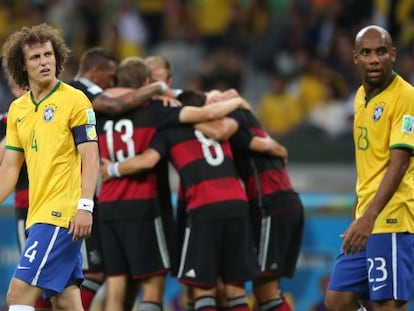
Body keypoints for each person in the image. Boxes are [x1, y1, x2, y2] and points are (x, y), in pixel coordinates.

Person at [101, 89, 259, 311]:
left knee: (204, 288)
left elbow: (147, 161)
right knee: (236, 289)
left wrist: (112, 168)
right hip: (237, 205)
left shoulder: (171, 130)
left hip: (205, 208)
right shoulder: (220, 125)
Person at [69, 46, 178, 311]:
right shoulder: (83, 95)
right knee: (151, 283)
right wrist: (160, 89)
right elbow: (150, 157)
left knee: (109, 280)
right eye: (109, 76)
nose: (111, 83)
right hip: (138, 203)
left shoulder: (100, 115)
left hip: (106, 204)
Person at [0, 23, 100, 311]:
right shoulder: (19, 110)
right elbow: (10, 167)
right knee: (66, 302)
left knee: (18, 296)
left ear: (57, 57)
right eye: (35, 57)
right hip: (38, 215)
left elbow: (90, 157)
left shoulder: (75, 100)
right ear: (22, 65)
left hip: (62, 215)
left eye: (48, 55)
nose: (44, 62)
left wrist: (85, 206)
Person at [324, 25, 414, 311]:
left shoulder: (406, 96)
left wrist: (369, 217)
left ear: (393, 55)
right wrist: (357, 215)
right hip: (366, 216)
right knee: (338, 301)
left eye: (380, 52)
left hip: (393, 217)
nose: (374, 59)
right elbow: (368, 165)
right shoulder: (360, 97)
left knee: (388, 305)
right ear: (355, 58)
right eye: (366, 52)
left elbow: (398, 163)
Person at [199, 89, 303, 311]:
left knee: (265, 288)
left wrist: (179, 120)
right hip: (279, 203)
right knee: (265, 288)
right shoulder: (244, 128)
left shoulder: (236, 115)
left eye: (217, 98)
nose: (214, 102)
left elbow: (221, 132)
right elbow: (266, 145)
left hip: (270, 204)